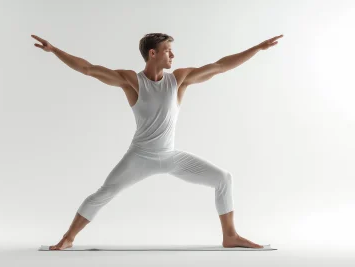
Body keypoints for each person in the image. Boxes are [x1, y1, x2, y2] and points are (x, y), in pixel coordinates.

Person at [31, 32, 283, 250]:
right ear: (153, 53)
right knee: (104, 193)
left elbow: (220, 66)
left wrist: (257, 48)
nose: (173, 56)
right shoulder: (132, 81)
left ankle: (230, 236)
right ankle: (68, 238)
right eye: (168, 51)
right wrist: (54, 50)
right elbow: (88, 68)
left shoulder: (179, 79)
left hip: (171, 157)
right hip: (140, 156)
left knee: (223, 179)